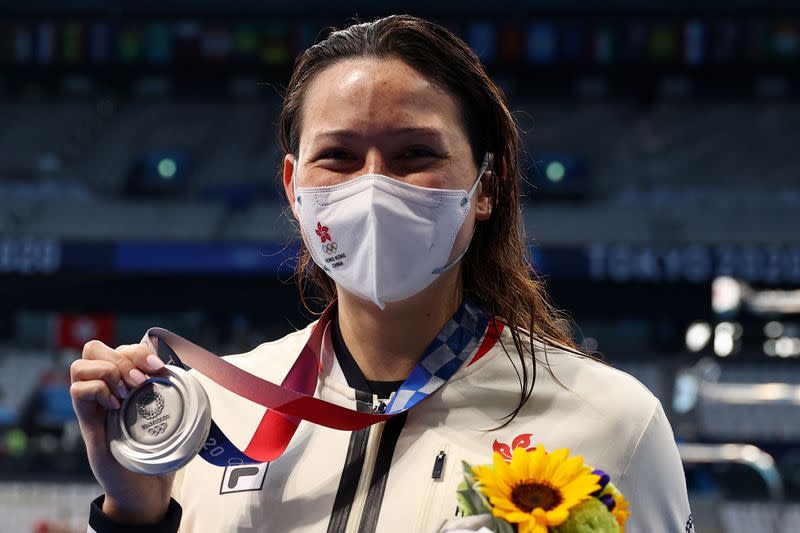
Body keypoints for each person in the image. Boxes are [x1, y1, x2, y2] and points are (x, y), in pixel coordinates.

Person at [71, 15, 691, 533]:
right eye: (338, 156)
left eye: (415, 154)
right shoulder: (212, 418)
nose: (373, 186)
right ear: (293, 188)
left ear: (486, 187)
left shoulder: (613, 422)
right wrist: (134, 514)